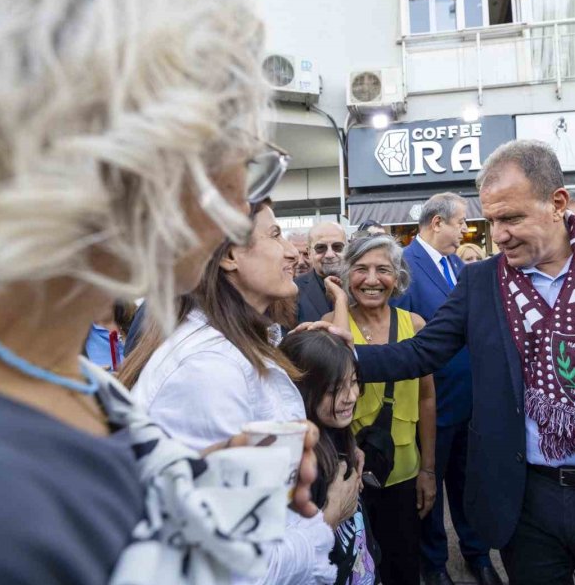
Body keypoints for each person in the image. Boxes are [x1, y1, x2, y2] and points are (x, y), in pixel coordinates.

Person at [0, 0, 321, 584]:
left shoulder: (59, 371)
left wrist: (207, 480)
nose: (242, 204)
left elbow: (99, 501)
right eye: (247, 160)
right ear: (144, 156)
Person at [346, 140, 575, 585]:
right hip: (527, 500)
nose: (497, 234)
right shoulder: (481, 281)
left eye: (511, 218)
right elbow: (420, 352)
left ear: (557, 203)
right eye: (491, 220)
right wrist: (339, 355)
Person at [127, 201, 359, 584]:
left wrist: (300, 358)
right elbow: (238, 569)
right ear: (230, 256)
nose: (291, 251)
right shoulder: (207, 372)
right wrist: (327, 518)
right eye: (274, 234)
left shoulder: (242, 346)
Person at [393, 193, 501, 585]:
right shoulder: (403, 265)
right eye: (460, 223)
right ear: (437, 222)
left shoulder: (459, 265)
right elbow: (403, 336)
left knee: (468, 485)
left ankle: (478, 555)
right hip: (430, 404)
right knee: (429, 488)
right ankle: (434, 564)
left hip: (471, 403)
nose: (465, 231)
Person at [322, 235, 437, 585]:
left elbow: (427, 398)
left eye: (383, 270)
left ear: (398, 276)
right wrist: (341, 300)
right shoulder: (332, 321)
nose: (372, 280)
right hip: (346, 477)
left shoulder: (414, 324)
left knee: (402, 565)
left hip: (402, 471)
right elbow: (339, 370)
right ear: (346, 275)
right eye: (360, 269)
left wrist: (428, 471)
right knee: (354, 568)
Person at [281, 330, 380, 585]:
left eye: (355, 381)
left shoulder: (335, 433)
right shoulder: (299, 468)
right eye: (336, 389)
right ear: (302, 389)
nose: (351, 396)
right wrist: (331, 516)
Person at [296, 222, 348, 323]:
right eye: (320, 248)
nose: (329, 254)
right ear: (310, 252)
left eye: (337, 247)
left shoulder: (361, 286)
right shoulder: (294, 291)